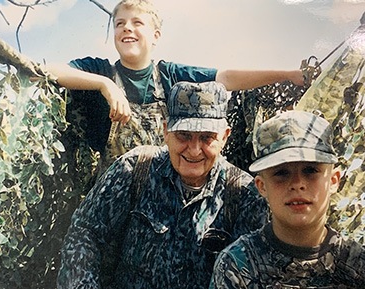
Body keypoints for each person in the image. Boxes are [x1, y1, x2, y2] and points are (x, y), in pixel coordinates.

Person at [45, 0, 305, 172]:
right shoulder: (99, 70)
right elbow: (46, 71)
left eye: (137, 23)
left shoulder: (170, 75)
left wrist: (287, 74)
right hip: (112, 203)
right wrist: (104, 85)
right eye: (119, 24)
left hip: (164, 197)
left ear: (156, 36)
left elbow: (226, 78)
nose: (127, 28)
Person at [57, 81, 269, 289]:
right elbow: (84, 233)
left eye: (207, 138)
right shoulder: (135, 169)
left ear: (224, 137)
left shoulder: (243, 194)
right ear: (166, 132)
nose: (194, 150)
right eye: (184, 135)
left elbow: (254, 272)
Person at [209, 110, 365, 289]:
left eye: (310, 170)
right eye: (281, 172)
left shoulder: (357, 265)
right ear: (261, 186)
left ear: (333, 180)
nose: (297, 184)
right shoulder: (238, 266)